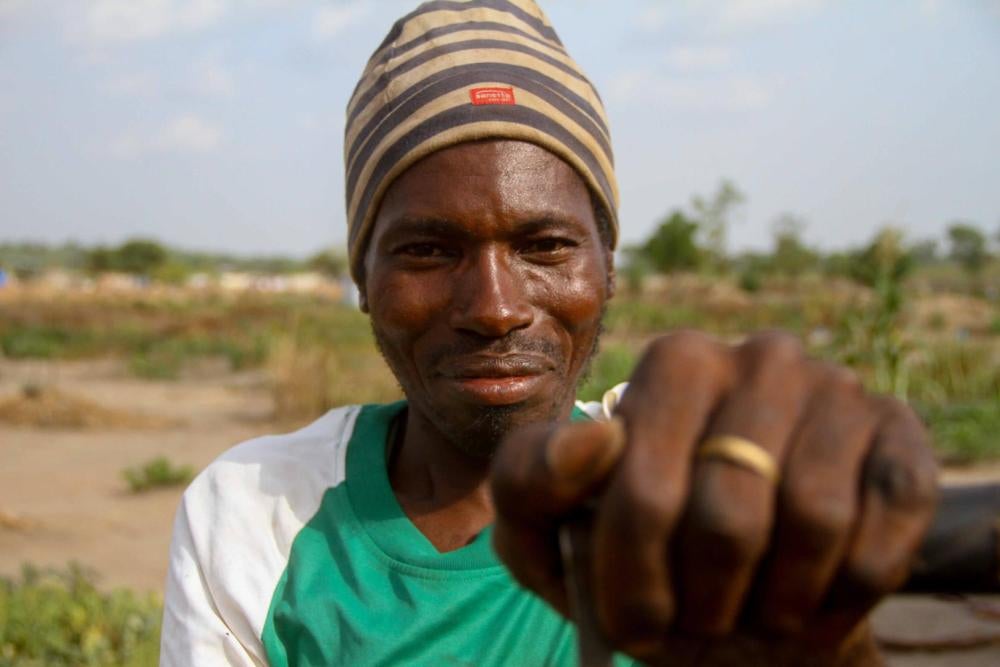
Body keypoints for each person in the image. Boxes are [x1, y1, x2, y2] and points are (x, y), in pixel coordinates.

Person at [160, 1, 938, 665]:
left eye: (545, 246)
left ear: (607, 268)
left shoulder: (701, 497)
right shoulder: (256, 516)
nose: (495, 307)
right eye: (428, 249)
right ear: (364, 276)